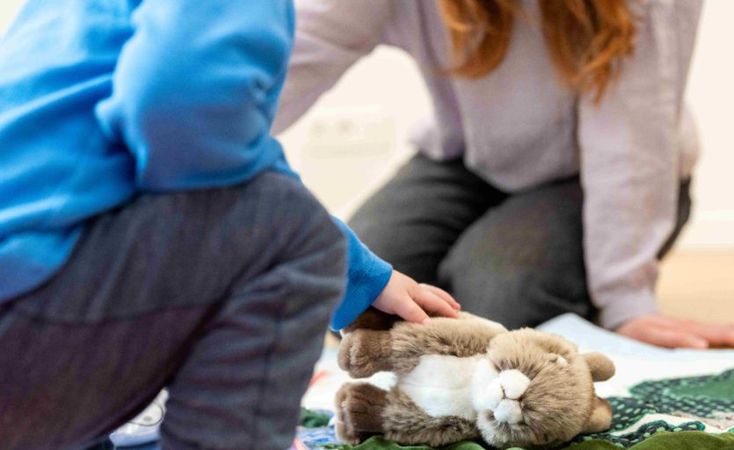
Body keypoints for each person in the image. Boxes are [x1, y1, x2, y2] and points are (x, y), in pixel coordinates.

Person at [0, 1, 457, 449]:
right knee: (295, 229)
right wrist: (347, 263)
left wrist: (365, 277)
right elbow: (178, 116)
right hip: (26, 333)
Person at [275, 0, 734, 351]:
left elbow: (631, 136)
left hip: (596, 175)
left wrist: (626, 299)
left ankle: (536, 269)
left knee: (499, 301)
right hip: (470, 159)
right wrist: (226, 154)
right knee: (356, 295)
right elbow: (287, 57)